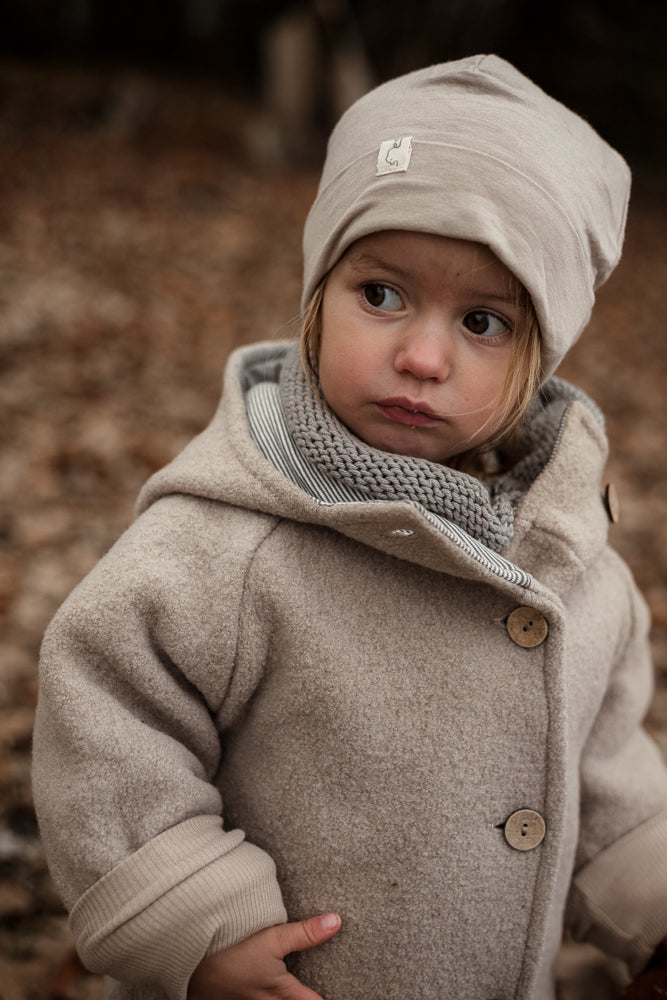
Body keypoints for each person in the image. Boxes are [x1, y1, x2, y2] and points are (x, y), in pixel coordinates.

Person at [32, 54, 667, 1000]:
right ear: (317, 299)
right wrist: (199, 924)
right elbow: (109, 717)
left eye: (484, 322)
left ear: (542, 355)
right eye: (381, 295)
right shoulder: (229, 541)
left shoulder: (574, 567)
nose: (419, 355)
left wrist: (652, 899)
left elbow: (605, 775)